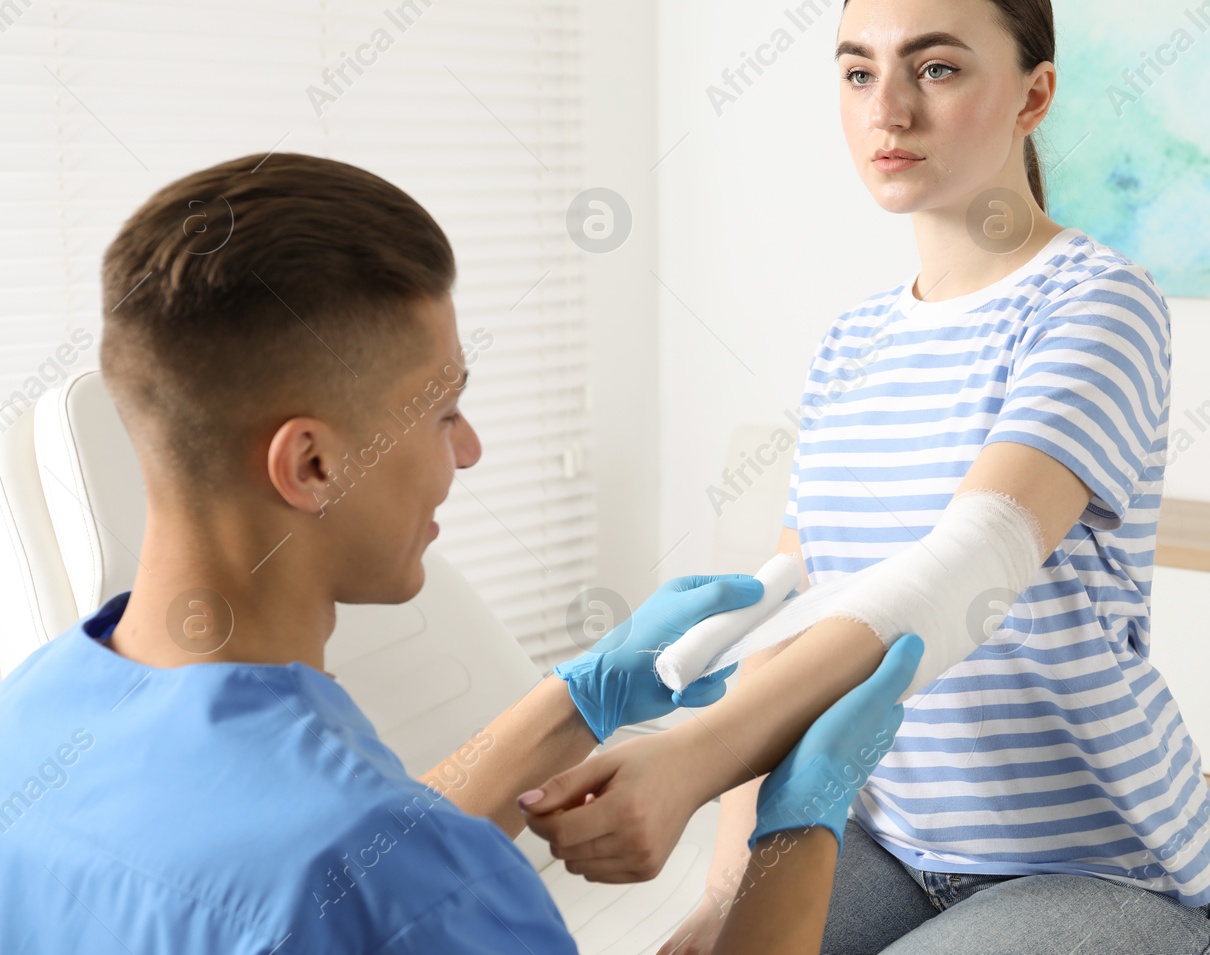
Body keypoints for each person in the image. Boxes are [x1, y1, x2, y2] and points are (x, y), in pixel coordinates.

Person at [518, 0, 1210, 955]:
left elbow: (965, 568)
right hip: (887, 837)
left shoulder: (1096, 302)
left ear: (1034, 96)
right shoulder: (853, 340)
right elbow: (788, 615)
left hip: (1102, 863)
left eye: (937, 68)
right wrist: (725, 888)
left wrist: (685, 755)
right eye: (858, 72)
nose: (886, 110)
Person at [0, 152, 916, 955]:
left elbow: (342, 865)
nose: (469, 448)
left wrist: (576, 697)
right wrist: (801, 824)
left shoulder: (34, 717)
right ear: (312, 463)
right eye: (441, 411)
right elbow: (367, 879)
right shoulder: (432, 897)